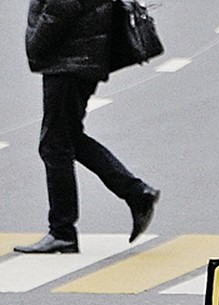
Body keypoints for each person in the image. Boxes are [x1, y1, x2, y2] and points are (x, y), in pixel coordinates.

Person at [16, 0, 160, 254]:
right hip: (80, 57)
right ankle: (136, 193)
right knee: (67, 139)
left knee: (55, 146)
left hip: (69, 59)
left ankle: (62, 232)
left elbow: (63, 5)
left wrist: (36, 44)